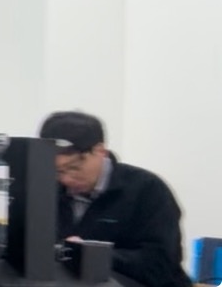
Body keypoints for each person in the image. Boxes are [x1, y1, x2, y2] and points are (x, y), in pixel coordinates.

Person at [39, 111, 192, 287]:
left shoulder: (146, 189)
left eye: (74, 168)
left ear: (100, 151)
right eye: (57, 171)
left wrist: (92, 255)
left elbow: (161, 263)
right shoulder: (46, 192)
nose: (66, 179)